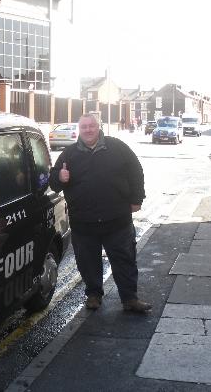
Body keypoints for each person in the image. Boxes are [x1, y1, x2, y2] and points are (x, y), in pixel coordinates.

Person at [49, 113, 151, 313]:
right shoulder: (69, 154)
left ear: (99, 127)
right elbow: (53, 182)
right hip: (83, 222)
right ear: (80, 130)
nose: (88, 130)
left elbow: (136, 172)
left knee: (124, 260)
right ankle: (93, 295)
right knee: (88, 262)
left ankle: (130, 299)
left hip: (117, 219)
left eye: (92, 126)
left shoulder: (117, 147)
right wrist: (60, 177)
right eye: (84, 127)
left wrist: (137, 199)